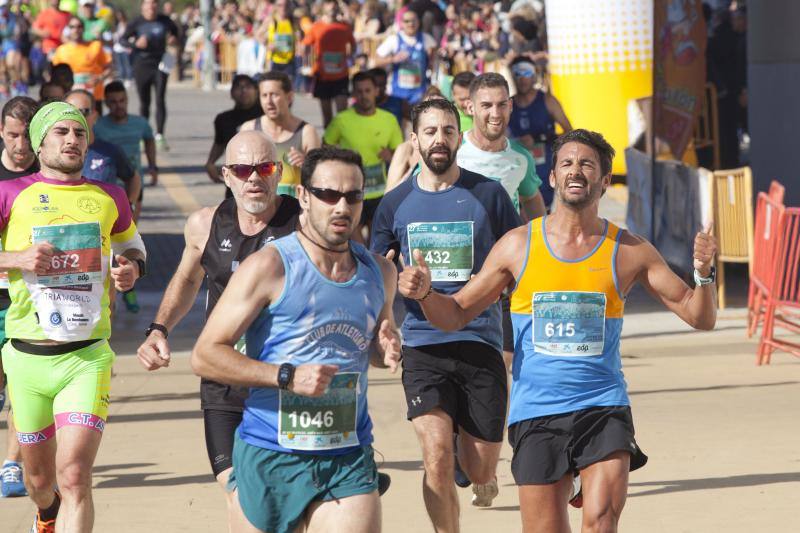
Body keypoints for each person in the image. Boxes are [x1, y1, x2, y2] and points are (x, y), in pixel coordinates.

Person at [398, 128, 719, 533]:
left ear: (604, 180)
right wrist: (426, 294)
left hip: (603, 407)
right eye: (567, 163)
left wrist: (703, 275)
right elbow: (457, 313)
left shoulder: (629, 250)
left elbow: (699, 316)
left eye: (587, 164)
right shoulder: (518, 246)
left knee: (601, 521)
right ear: (552, 178)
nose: (575, 171)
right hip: (537, 414)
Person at [191, 146, 402, 533]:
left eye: (353, 196)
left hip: (346, 456)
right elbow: (205, 355)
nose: (342, 207)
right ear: (303, 197)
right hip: (271, 455)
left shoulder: (380, 272)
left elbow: (374, 349)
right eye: (328, 194)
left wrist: (386, 346)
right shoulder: (269, 266)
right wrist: (287, 376)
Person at [370, 99, 522, 528]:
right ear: (414, 140)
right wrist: (386, 317)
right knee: (434, 454)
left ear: (459, 136)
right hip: (423, 344)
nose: (440, 139)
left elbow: (517, 263)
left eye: (449, 131)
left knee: (479, 470)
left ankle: (474, 462)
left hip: (480, 340)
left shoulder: (488, 194)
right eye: (431, 131)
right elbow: (377, 271)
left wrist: (505, 314)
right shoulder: (394, 203)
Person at [138, 130, 301, 525]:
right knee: (238, 489)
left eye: (263, 167)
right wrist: (158, 329)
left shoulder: (304, 221)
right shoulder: (204, 225)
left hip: (285, 382)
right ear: (226, 175)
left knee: (287, 493)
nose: (253, 179)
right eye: (243, 170)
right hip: (223, 379)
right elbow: (187, 280)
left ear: (278, 171)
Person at [0, 101, 146, 533]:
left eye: (79, 133)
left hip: (86, 358)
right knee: (40, 481)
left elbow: (134, 247)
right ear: (39, 142)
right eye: (61, 132)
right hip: (27, 359)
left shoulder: (109, 196)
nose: (72, 140)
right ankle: (47, 513)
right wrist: (17, 258)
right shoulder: (11, 194)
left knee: (75, 475)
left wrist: (131, 269)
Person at [0, 96, 40, 500]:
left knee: (19, 387)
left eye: (26, 136)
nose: (20, 145)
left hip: (28, 299)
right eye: (12, 136)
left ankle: (11, 464)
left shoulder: (47, 177)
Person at [457, 73, 545, 223]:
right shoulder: (451, 150)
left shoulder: (521, 157)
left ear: (510, 106)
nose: (495, 114)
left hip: (508, 245)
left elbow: (531, 201)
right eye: (486, 105)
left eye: (501, 104)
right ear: (470, 107)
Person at [323, 71, 402, 237]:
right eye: (359, 91)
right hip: (351, 191)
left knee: (376, 247)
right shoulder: (341, 120)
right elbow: (324, 149)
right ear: (353, 94)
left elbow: (401, 153)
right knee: (356, 247)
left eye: (367, 91)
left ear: (376, 91)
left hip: (379, 192)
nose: (363, 95)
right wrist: (339, 158)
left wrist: (391, 155)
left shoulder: (389, 119)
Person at [240, 72, 321, 198]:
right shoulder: (249, 129)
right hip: (259, 206)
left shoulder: (306, 131)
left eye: (274, 95)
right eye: (264, 95)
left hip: (294, 210)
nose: (269, 101)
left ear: (289, 97)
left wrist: (307, 163)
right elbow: (238, 170)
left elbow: (320, 176)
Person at [508, 57, 572, 207]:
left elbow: (569, 132)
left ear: (534, 75)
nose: (523, 79)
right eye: (518, 74)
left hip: (542, 171)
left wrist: (540, 138)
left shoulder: (548, 101)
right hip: (516, 170)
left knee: (543, 215)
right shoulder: (507, 105)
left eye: (527, 73)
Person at [64, 89, 141, 205]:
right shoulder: (53, 152)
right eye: (70, 112)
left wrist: (129, 207)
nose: (77, 117)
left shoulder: (110, 151)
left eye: (83, 112)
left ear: (95, 116)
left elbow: (133, 178)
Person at [123, 0, 179, 151]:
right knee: (144, 101)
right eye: (148, 4)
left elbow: (176, 33)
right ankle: (144, 134)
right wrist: (135, 44)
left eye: (154, 4)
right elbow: (122, 40)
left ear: (157, 6)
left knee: (160, 98)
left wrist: (174, 38)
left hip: (160, 63)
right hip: (142, 64)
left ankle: (160, 134)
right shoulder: (136, 22)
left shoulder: (165, 21)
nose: (151, 7)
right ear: (143, 7)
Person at [300, 0, 355, 128]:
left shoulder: (345, 26)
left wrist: (349, 57)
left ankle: (343, 146)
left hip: (341, 76)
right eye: (329, 3)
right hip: (322, 76)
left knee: (343, 115)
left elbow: (353, 45)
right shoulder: (317, 27)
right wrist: (306, 61)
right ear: (323, 7)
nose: (332, 7)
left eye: (334, 4)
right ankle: (328, 146)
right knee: (327, 118)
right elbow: (305, 45)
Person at [205, 74, 263, 190]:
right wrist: (210, 163)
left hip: (263, 174)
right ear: (231, 93)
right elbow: (219, 143)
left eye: (247, 86)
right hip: (236, 176)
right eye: (238, 87)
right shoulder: (223, 119)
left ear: (256, 91)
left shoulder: (266, 118)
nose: (243, 91)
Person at [374, 9, 436, 105]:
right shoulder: (394, 39)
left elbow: (434, 61)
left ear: (418, 22)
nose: (410, 24)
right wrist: (393, 59)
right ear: (401, 23)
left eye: (413, 20)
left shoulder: (426, 39)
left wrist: (431, 59)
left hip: (419, 94)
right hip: (398, 93)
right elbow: (376, 60)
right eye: (407, 21)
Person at [51, 16, 112, 112]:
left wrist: (100, 77)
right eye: (72, 27)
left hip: (94, 97)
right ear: (68, 29)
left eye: (79, 26)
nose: (76, 30)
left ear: (83, 29)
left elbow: (109, 68)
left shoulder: (95, 46)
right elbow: (54, 76)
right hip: (70, 99)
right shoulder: (61, 50)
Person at [257, 0, 296, 77]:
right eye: (280, 5)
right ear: (275, 6)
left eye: (286, 5)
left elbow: (298, 38)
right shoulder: (271, 20)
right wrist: (266, 44)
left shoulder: (292, 20)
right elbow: (258, 35)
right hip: (274, 61)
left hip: (289, 62)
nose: (283, 8)